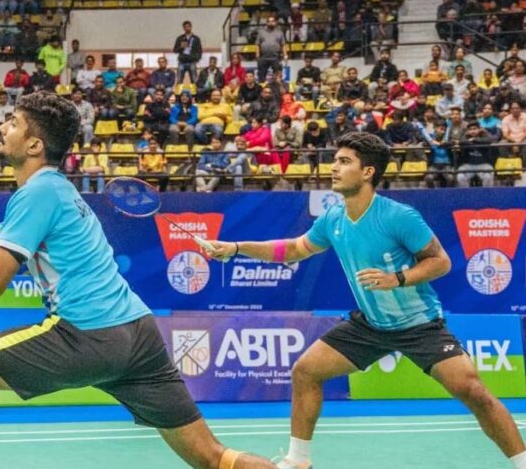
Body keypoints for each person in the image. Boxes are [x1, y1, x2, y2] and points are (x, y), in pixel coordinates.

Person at [0, 91, 277, 469]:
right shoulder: (53, 192)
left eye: (12, 123)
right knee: (212, 457)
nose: (2, 127)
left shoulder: (38, 195)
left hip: (87, 334)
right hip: (138, 334)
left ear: (34, 145)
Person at [207, 132, 526, 469]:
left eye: (344, 162)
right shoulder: (333, 218)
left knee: (473, 391)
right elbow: (294, 249)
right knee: (306, 371)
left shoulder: (397, 216)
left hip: (420, 326)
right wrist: (237, 248)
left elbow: (441, 261)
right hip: (371, 326)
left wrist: (397, 278)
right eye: (335, 160)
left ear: (368, 172)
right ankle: (298, 461)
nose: (334, 167)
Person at [256, 15, 287, 83]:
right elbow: (257, 44)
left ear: (275, 22)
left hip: (276, 58)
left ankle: (278, 88)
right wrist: (257, 54)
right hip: (263, 57)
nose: (271, 23)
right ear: (266, 23)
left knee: (278, 76)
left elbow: (283, 45)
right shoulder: (261, 32)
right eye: (269, 21)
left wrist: (285, 55)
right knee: (261, 77)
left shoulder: (279, 33)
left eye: (272, 21)